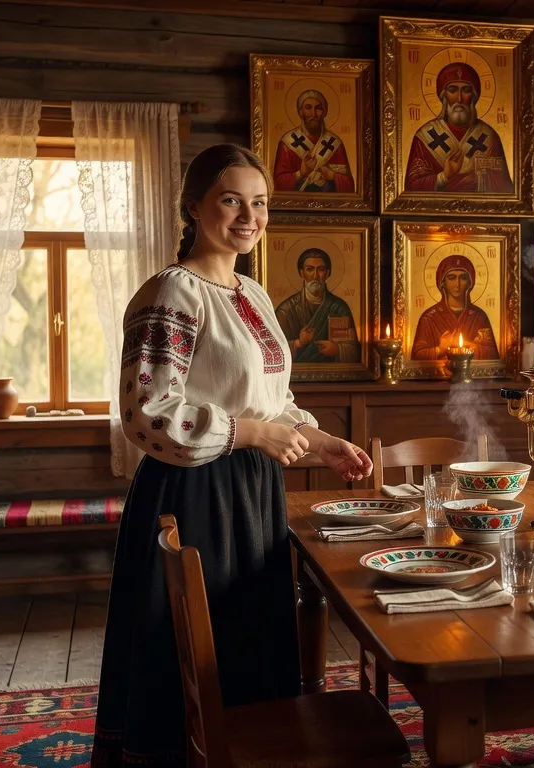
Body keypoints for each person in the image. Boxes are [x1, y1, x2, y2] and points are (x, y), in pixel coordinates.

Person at [91, 144, 372, 768]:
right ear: (194, 206)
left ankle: (250, 751)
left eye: (260, 203)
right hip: (194, 495)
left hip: (252, 492)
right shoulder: (172, 292)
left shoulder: (253, 293)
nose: (249, 216)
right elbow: (146, 412)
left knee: (246, 638)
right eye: (230, 200)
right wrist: (248, 435)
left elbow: (271, 399)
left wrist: (323, 442)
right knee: (198, 645)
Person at [404, 62, 514, 194]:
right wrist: (444, 176)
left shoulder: (489, 136)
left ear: (473, 96)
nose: (459, 99)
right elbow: (413, 187)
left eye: (466, 90)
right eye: (452, 90)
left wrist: (476, 179)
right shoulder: (425, 136)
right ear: (444, 96)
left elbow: (505, 188)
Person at [273, 247, 360, 363]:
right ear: (301, 272)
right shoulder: (286, 310)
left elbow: (355, 351)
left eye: (321, 269)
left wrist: (337, 349)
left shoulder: (339, 308)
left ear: (328, 273)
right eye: (309, 269)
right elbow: (272, 351)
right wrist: (298, 343)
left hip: (333, 376)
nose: (315, 276)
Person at [411, 253, 500, 360]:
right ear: (442, 282)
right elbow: (417, 355)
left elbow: (492, 355)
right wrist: (440, 349)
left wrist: (473, 347)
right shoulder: (429, 318)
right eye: (451, 278)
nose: (457, 284)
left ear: (470, 282)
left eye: (463, 278)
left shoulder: (479, 316)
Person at [272, 89, 354, 193]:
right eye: (308, 107)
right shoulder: (287, 143)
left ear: (323, 112)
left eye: (318, 108)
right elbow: (278, 184)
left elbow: (349, 186)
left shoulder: (335, 143)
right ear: (300, 112)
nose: (313, 114)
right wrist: (301, 173)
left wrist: (332, 176)